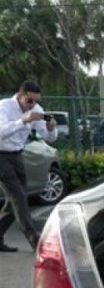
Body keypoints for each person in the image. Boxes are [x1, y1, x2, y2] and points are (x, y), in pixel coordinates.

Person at [0, 80, 58, 252]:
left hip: (17, 155)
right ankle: (36, 241)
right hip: (0, 155)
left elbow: (49, 138)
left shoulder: (36, 110)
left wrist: (50, 128)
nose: (33, 105)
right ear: (20, 96)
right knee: (18, 197)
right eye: (29, 101)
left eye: (36, 101)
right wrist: (23, 121)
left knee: (17, 199)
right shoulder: (4, 106)